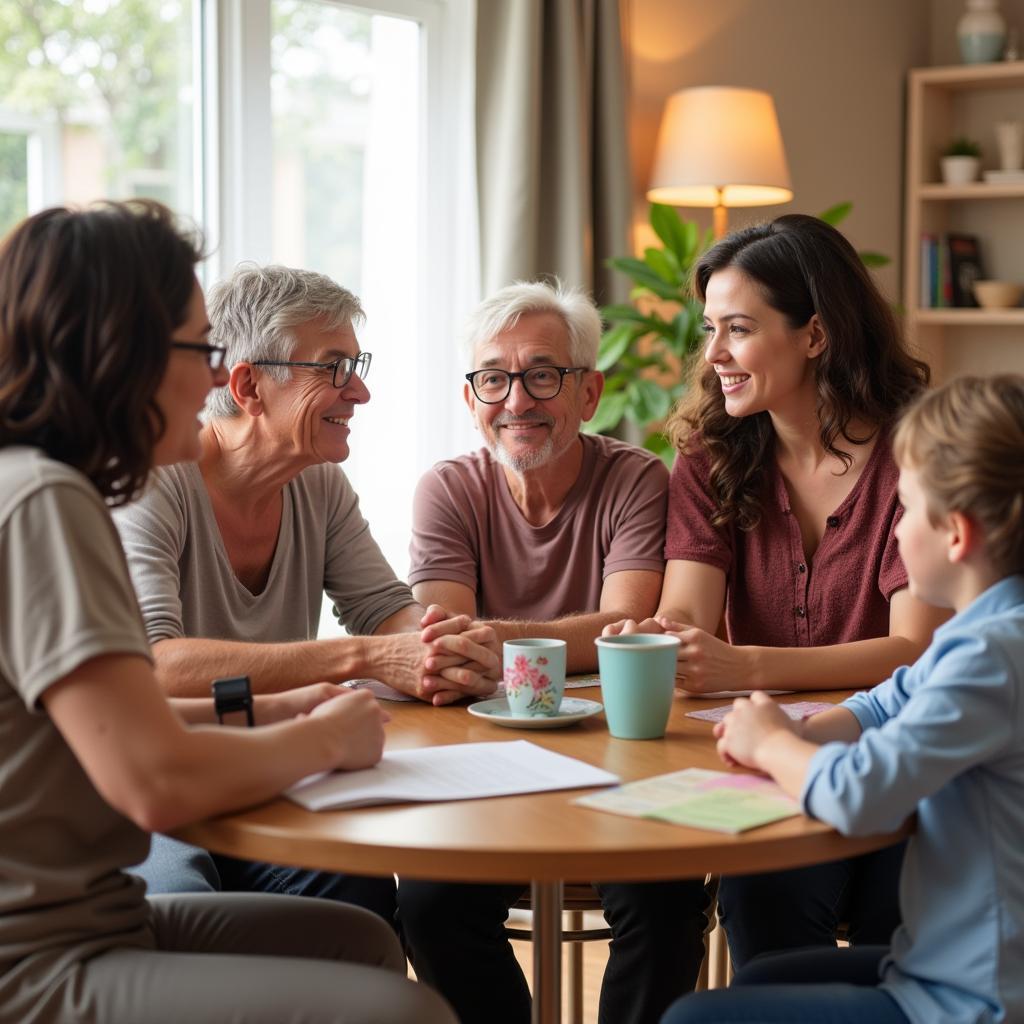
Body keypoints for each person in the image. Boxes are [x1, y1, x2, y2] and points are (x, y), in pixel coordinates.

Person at [0, 200, 455, 1024]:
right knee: (405, 1012)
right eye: (199, 349)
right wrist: (325, 734)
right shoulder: (44, 504)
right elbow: (155, 780)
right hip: (33, 958)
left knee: (359, 940)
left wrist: (276, 705)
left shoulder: (47, 485)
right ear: (120, 356)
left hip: (95, 914)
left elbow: (127, 718)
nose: (215, 377)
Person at [608, 214, 949, 967]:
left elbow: (913, 653)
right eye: (709, 330)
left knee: (892, 898)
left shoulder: (915, 457)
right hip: (763, 760)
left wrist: (745, 668)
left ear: (815, 335)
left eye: (737, 328)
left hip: (890, 755)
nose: (715, 355)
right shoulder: (709, 456)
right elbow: (686, 617)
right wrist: (656, 641)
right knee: (760, 896)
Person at [114, 262, 499, 914]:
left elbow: (384, 612)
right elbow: (158, 668)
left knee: (359, 896)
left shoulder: (317, 484)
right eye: (334, 369)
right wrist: (363, 657)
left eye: (358, 366)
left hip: (268, 772)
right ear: (249, 386)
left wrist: (441, 647)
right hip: (159, 791)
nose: (361, 394)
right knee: (183, 901)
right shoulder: (155, 485)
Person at [661, 372, 1024, 1024]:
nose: (895, 526)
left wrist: (773, 745)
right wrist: (802, 731)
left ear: (957, 535)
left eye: (907, 508)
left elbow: (860, 792)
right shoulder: (987, 633)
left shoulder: (991, 659)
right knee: (764, 981)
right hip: (944, 963)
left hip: (973, 1000)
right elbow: (889, 702)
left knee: (694, 1018)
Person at [399, 280, 710, 1024]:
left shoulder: (636, 478)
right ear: (472, 396)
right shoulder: (446, 489)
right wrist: (558, 639)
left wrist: (492, 640)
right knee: (430, 903)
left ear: (588, 392)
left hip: (620, 756)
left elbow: (628, 624)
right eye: (495, 378)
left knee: (665, 899)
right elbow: (448, 646)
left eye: (542, 374)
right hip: (478, 753)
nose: (517, 401)